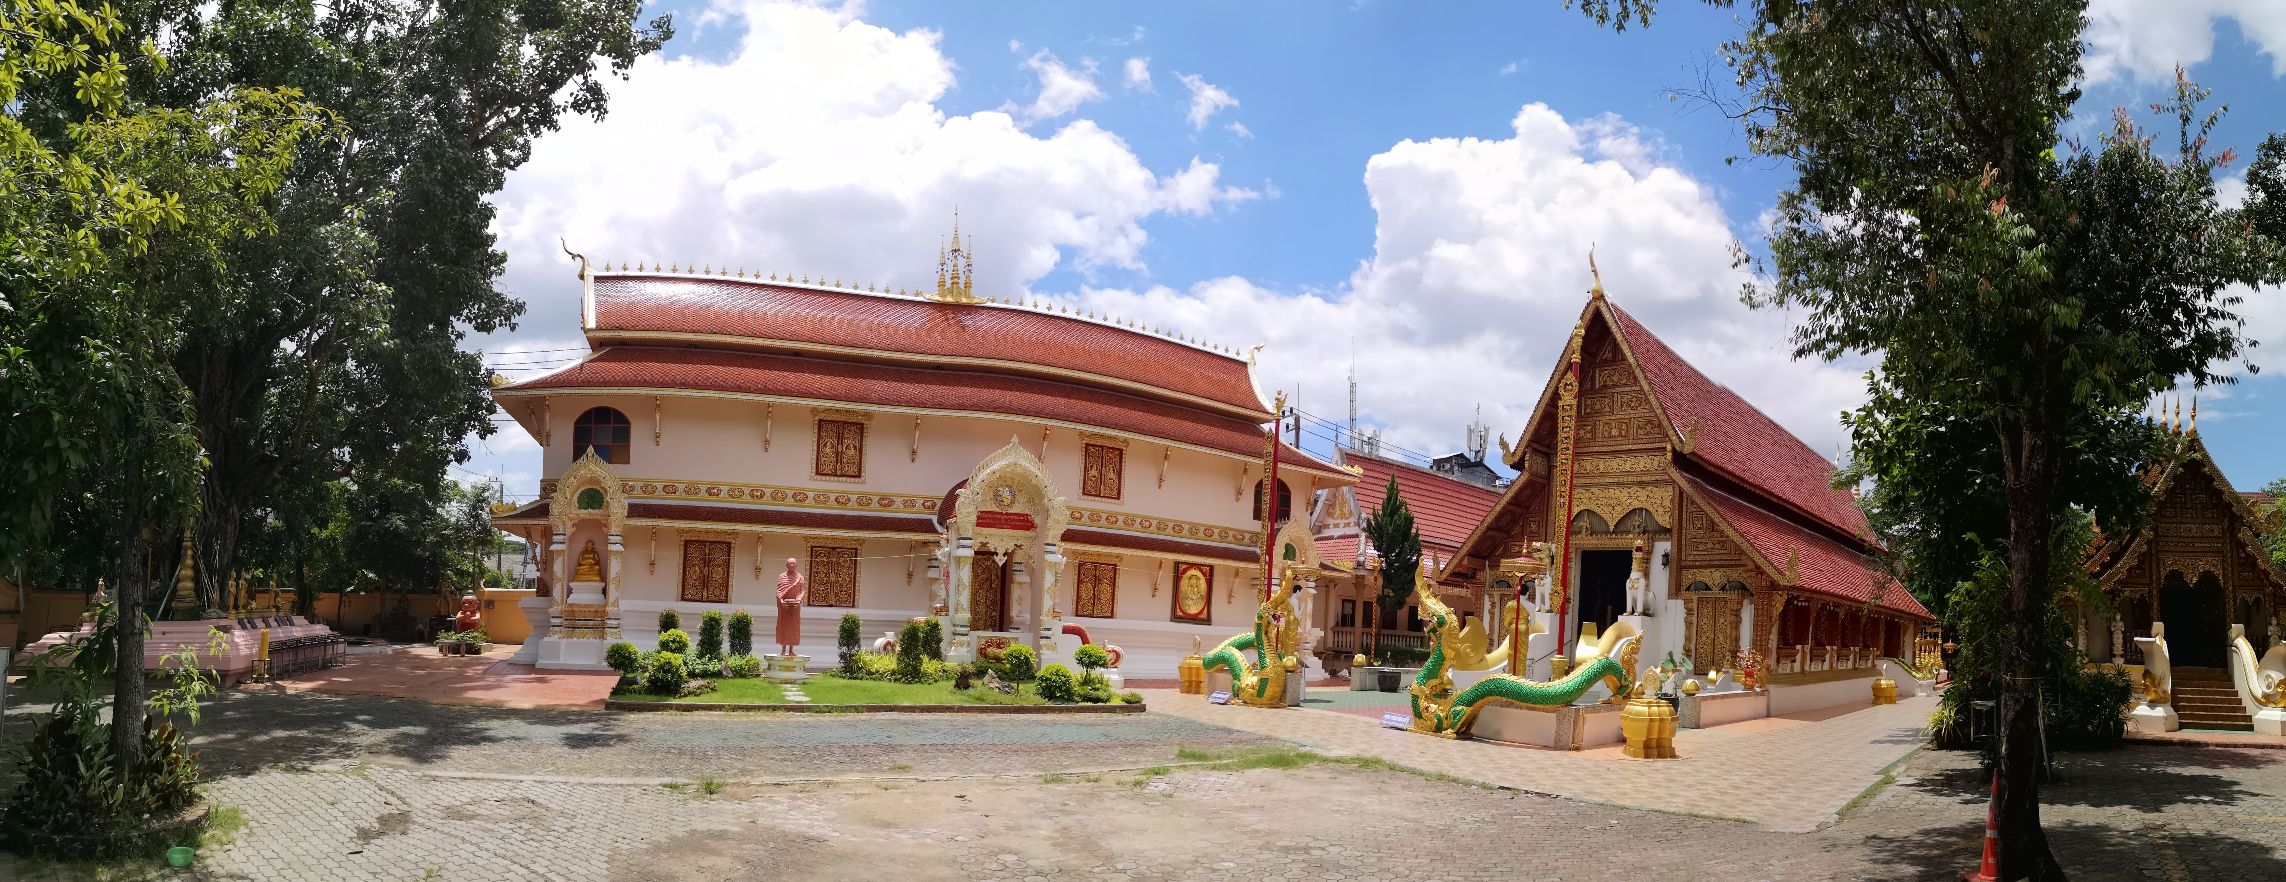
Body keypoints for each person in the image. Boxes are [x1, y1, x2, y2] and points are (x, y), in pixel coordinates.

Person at [775, 558, 807, 656]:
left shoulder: (800, 577)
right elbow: (779, 591)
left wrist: (799, 600)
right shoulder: (782, 576)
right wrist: (781, 601)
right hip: (784, 606)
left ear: (796, 565)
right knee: (784, 626)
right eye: (790, 563)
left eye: (793, 563)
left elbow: (802, 591)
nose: (792, 565)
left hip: (795, 606)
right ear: (786, 565)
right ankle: (783, 650)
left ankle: (791, 650)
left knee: (793, 628)